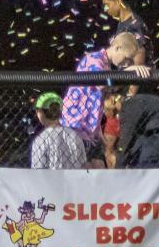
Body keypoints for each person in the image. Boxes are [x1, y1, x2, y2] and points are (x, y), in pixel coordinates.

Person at [31, 92, 85, 247]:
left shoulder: (41, 140)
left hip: (50, 202)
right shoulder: (75, 137)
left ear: (42, 114)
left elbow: (37, 175)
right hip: (72, 201)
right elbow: (82, 167)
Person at [61, 32, 150, 165]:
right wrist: (127, 71)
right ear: (117, 48)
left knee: (99, 167)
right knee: (80, 171)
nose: (125, 63)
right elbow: (100, 82)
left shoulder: (106, 65)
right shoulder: (94, 59)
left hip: (89, 132)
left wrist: (99, 134)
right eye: (126, 58)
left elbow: (99, 99)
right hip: (74, 127)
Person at [114, 89, 159, 168]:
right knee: (136, 154)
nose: (117, 116)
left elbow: (125, 140)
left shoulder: (129, 106)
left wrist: (118, 168)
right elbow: (135, 141)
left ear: (113, 101)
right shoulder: (134, 103)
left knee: (145, 158)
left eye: (115, 112)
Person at [100, 0, 153, 68]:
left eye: (107, 4)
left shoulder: (135, 26)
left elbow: (138, 68)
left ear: (118, 1)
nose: (105, 9)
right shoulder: (123, 22)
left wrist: (131, 80)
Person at [31, 92, 86, 170]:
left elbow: (37, 169)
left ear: (41, 113)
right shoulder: (74, 134)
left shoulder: (40, 140)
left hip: (50, 181)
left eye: (37, 110)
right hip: (74, 179)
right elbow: (83, 164)